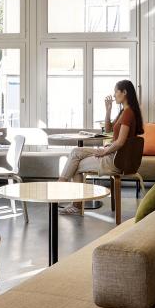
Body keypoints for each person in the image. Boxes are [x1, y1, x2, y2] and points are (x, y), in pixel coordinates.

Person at [58, 79, 144, 215]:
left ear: (124, 92)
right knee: (75, 152)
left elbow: (120, 142)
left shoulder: (128, 113)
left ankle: (63, 193)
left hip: (114, 159)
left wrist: (105, 152)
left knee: (75, 164)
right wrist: (108, 110)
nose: (114, 95)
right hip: (113, 154)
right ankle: (65, 190)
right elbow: (108, 129)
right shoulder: (124, 112)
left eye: (116, 91)